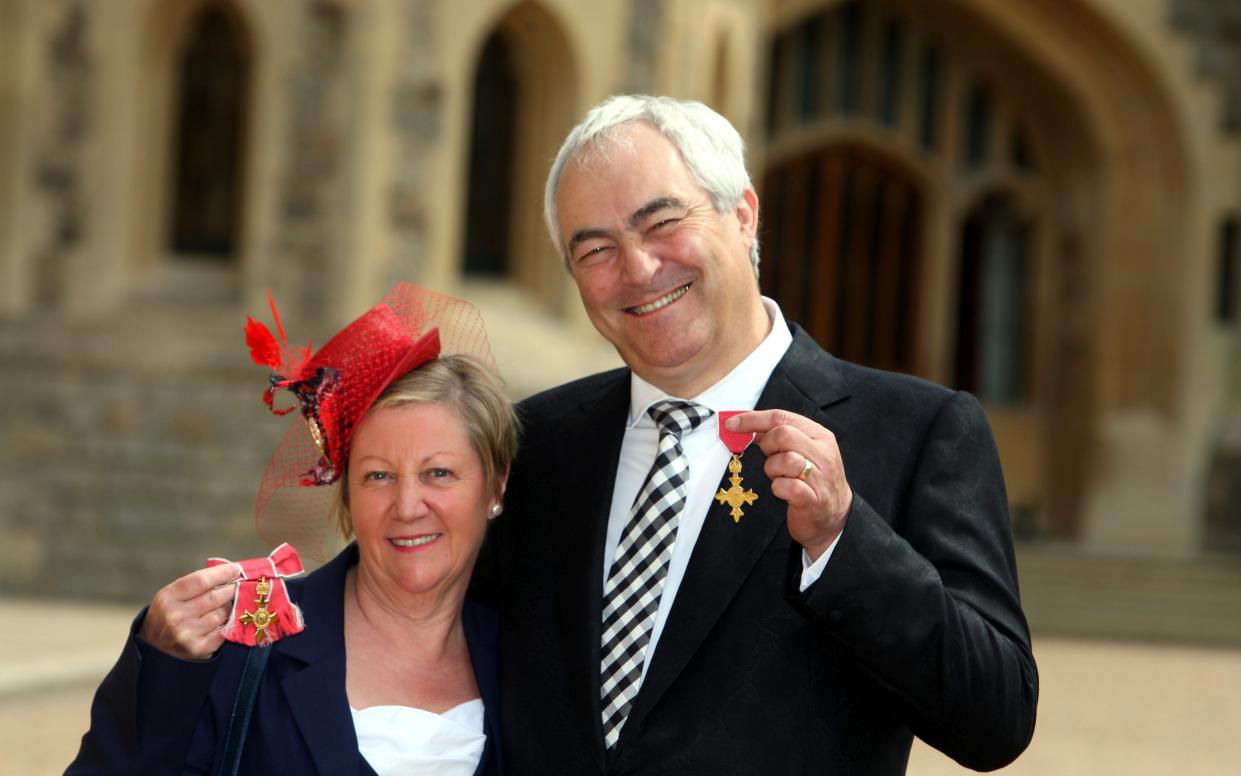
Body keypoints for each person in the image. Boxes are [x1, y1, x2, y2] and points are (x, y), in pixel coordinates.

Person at [477, 95, 1038, 774]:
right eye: (594, 249)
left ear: (742, 214)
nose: (637, 268)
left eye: (660, 222)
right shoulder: (533, 444)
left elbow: (995, 718)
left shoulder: (916, 433)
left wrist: (841, 540)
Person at [70, 283, 518, 776]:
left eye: (439, 473)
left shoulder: (534, 659)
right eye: (378, 476)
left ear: (496, 484)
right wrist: (164, 669)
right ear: (347, 493)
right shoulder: (244, 639)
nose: (408, 506)